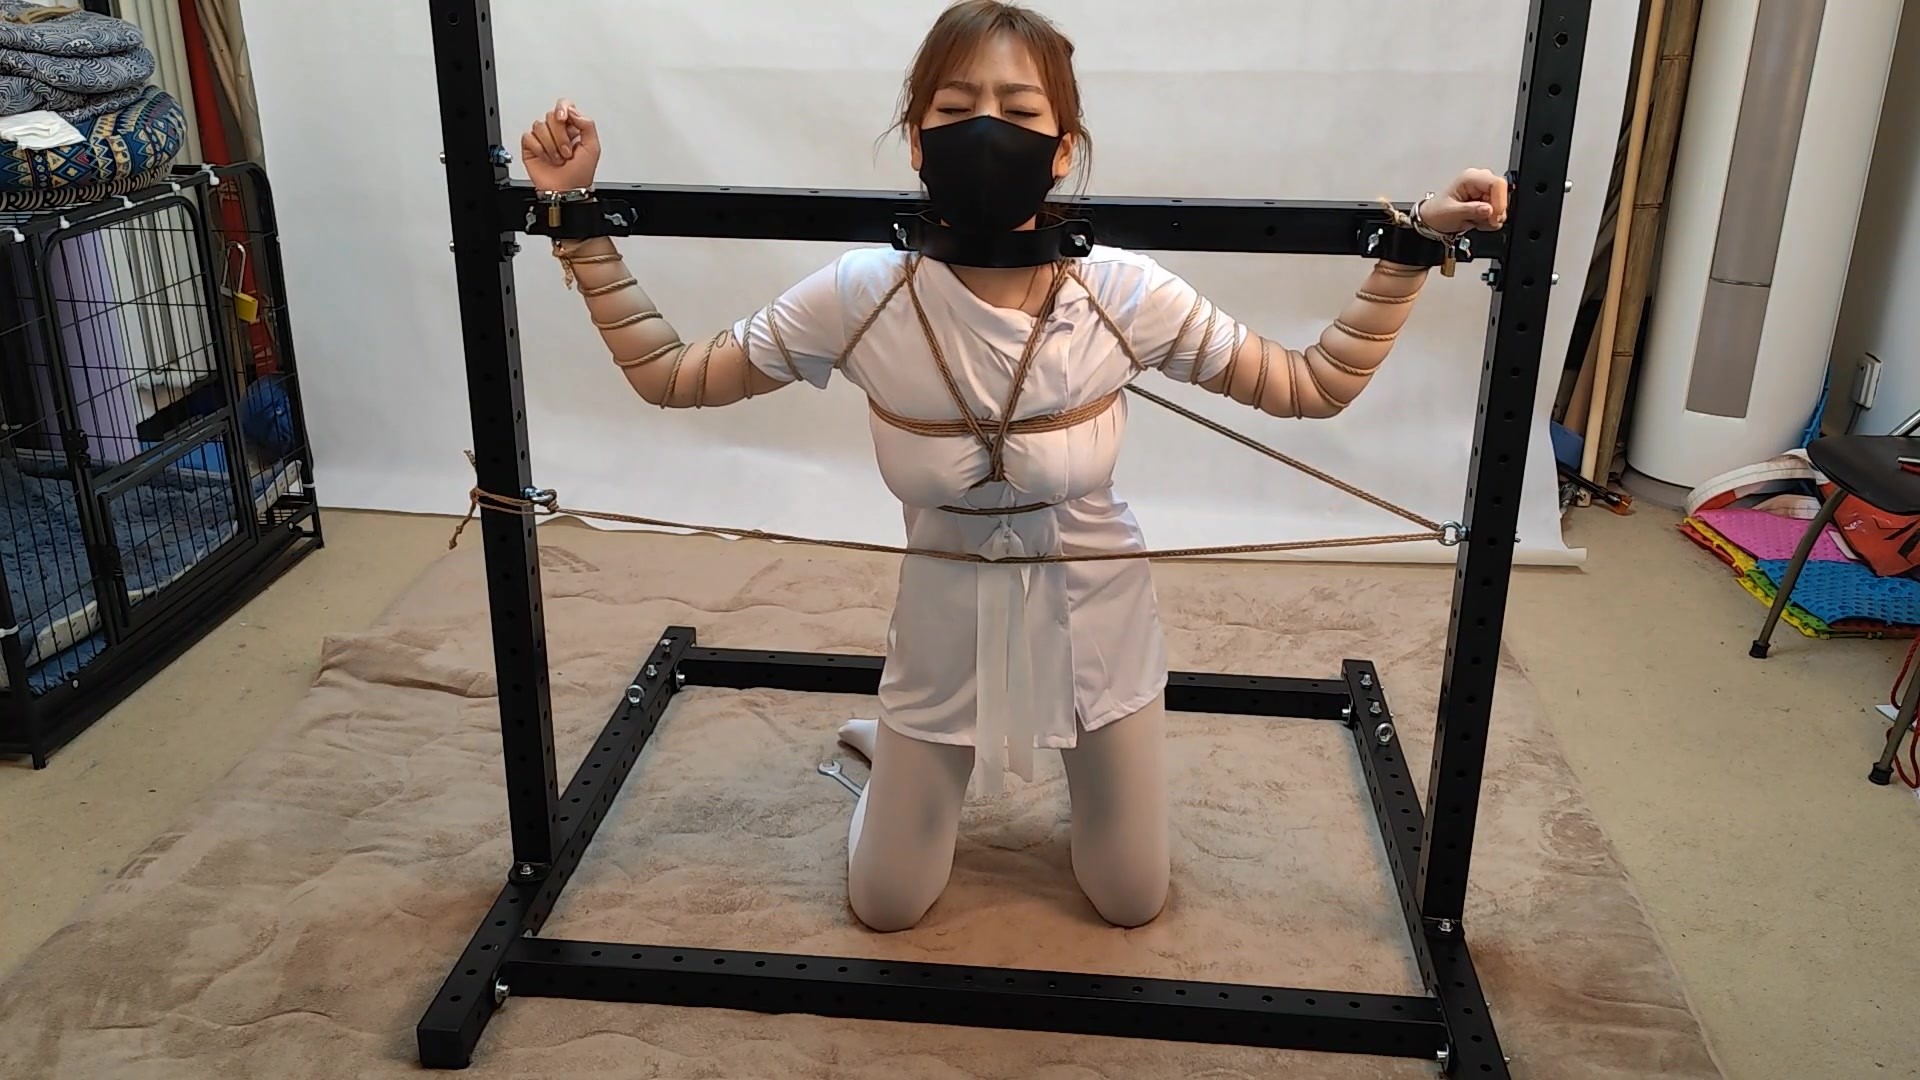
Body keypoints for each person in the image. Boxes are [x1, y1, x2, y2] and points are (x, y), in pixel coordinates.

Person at [519, 0, 1507, 934]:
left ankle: (1049, 759)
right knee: (888, 904)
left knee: (1130, 897)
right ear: (917, 141)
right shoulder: (860, 293)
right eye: (955, 110)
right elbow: (670, 374)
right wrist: (575, 220)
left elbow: (1313, 384)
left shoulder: (1123, 291)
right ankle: (891, 755)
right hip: (944, 616)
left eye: (1020, 110)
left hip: (1096, 615)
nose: (987, 129)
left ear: (1063, 146)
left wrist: (1414, 243)